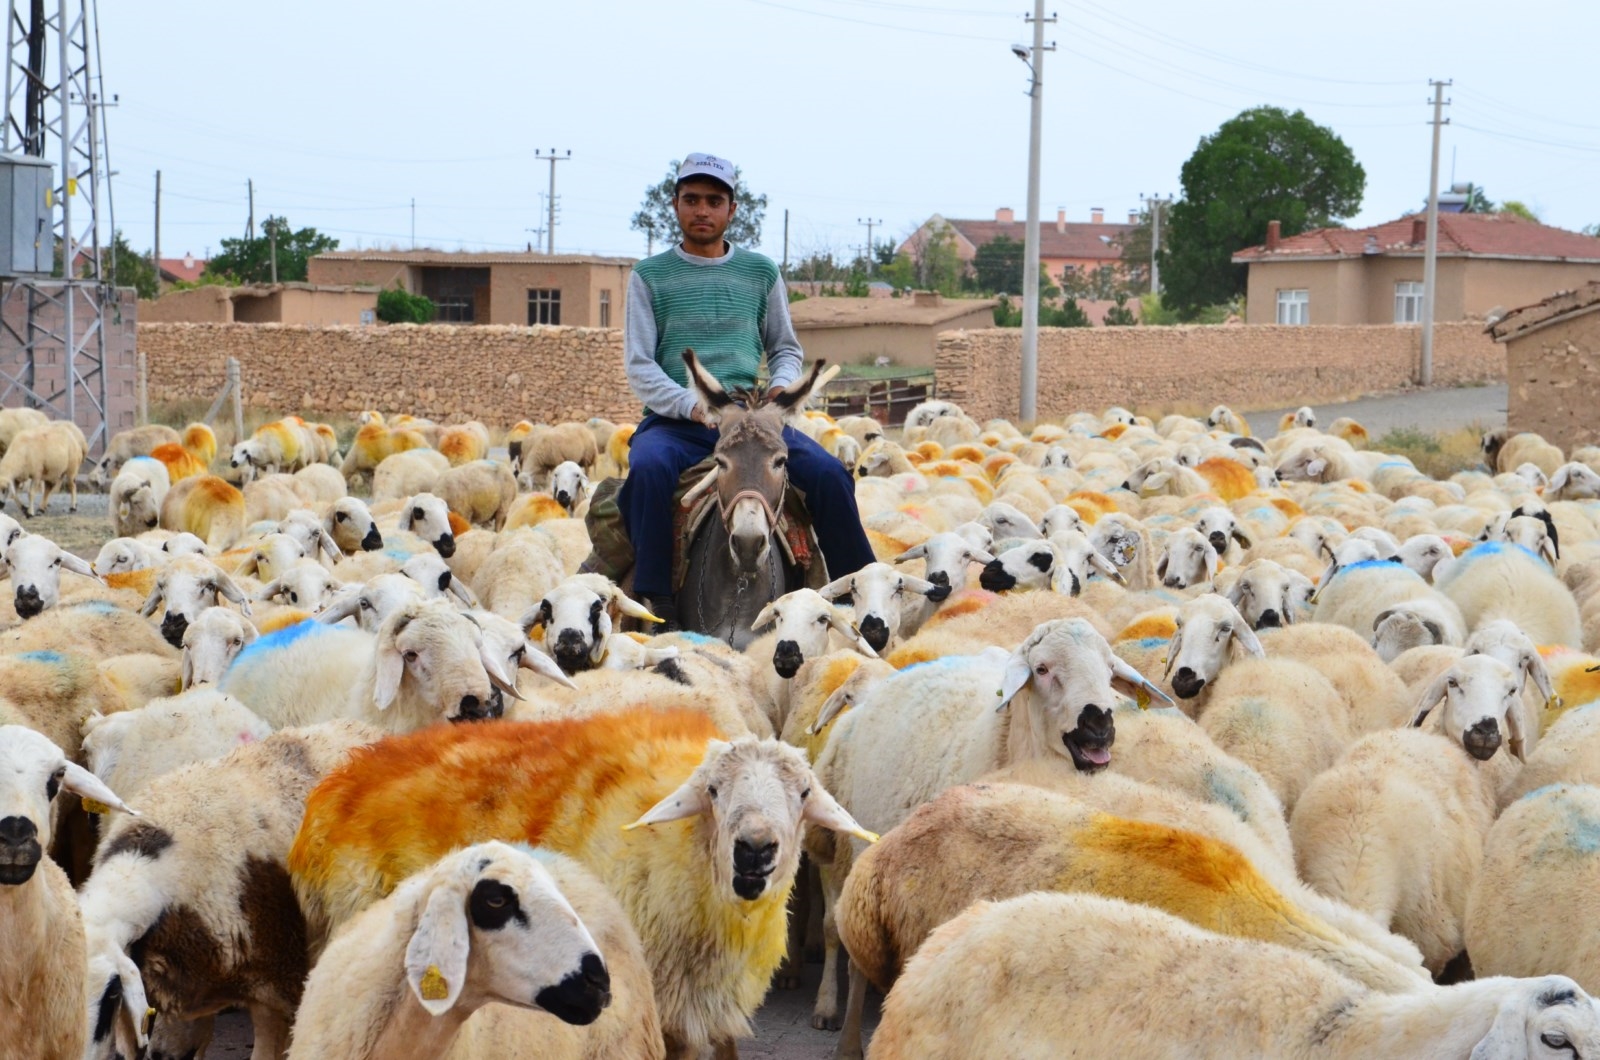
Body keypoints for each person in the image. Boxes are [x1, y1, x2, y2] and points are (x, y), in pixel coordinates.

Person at [619, 152, 874, 629]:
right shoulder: (648, 276)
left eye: (714, 201)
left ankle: (855, 596)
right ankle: (656, 601)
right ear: (674, 205)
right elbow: (640, 365)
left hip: (753, 420)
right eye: (691, 199)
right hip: (681, 421)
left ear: (732, 210)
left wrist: (778, 396)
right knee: (648, 468)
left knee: (829, 475)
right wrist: (690, 406)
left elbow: (785, 347)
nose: (702, 210)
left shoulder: (760, 272)